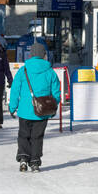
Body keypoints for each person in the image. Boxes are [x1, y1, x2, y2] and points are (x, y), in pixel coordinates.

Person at [9, 40, 60, 172]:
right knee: (37, 137)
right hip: (42, 111)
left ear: (30, 55)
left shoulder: (23, 70)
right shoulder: (50, 72)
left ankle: (23, 159)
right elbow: (56, 92)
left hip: (25, 110)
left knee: (23, 135)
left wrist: (12, 106)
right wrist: (53, 108)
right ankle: (35, 162)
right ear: (43, 55)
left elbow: (15, 89)